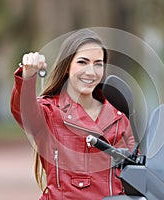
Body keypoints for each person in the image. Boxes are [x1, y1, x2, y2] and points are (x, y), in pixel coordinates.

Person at [10, 29, 134, 200]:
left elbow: (136, 171)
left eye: (98, 63)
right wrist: (28, 75)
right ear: (67, 66)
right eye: (83, 62)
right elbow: (23, 111)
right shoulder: (50, 112)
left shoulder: (119, 118)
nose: (91, 72)